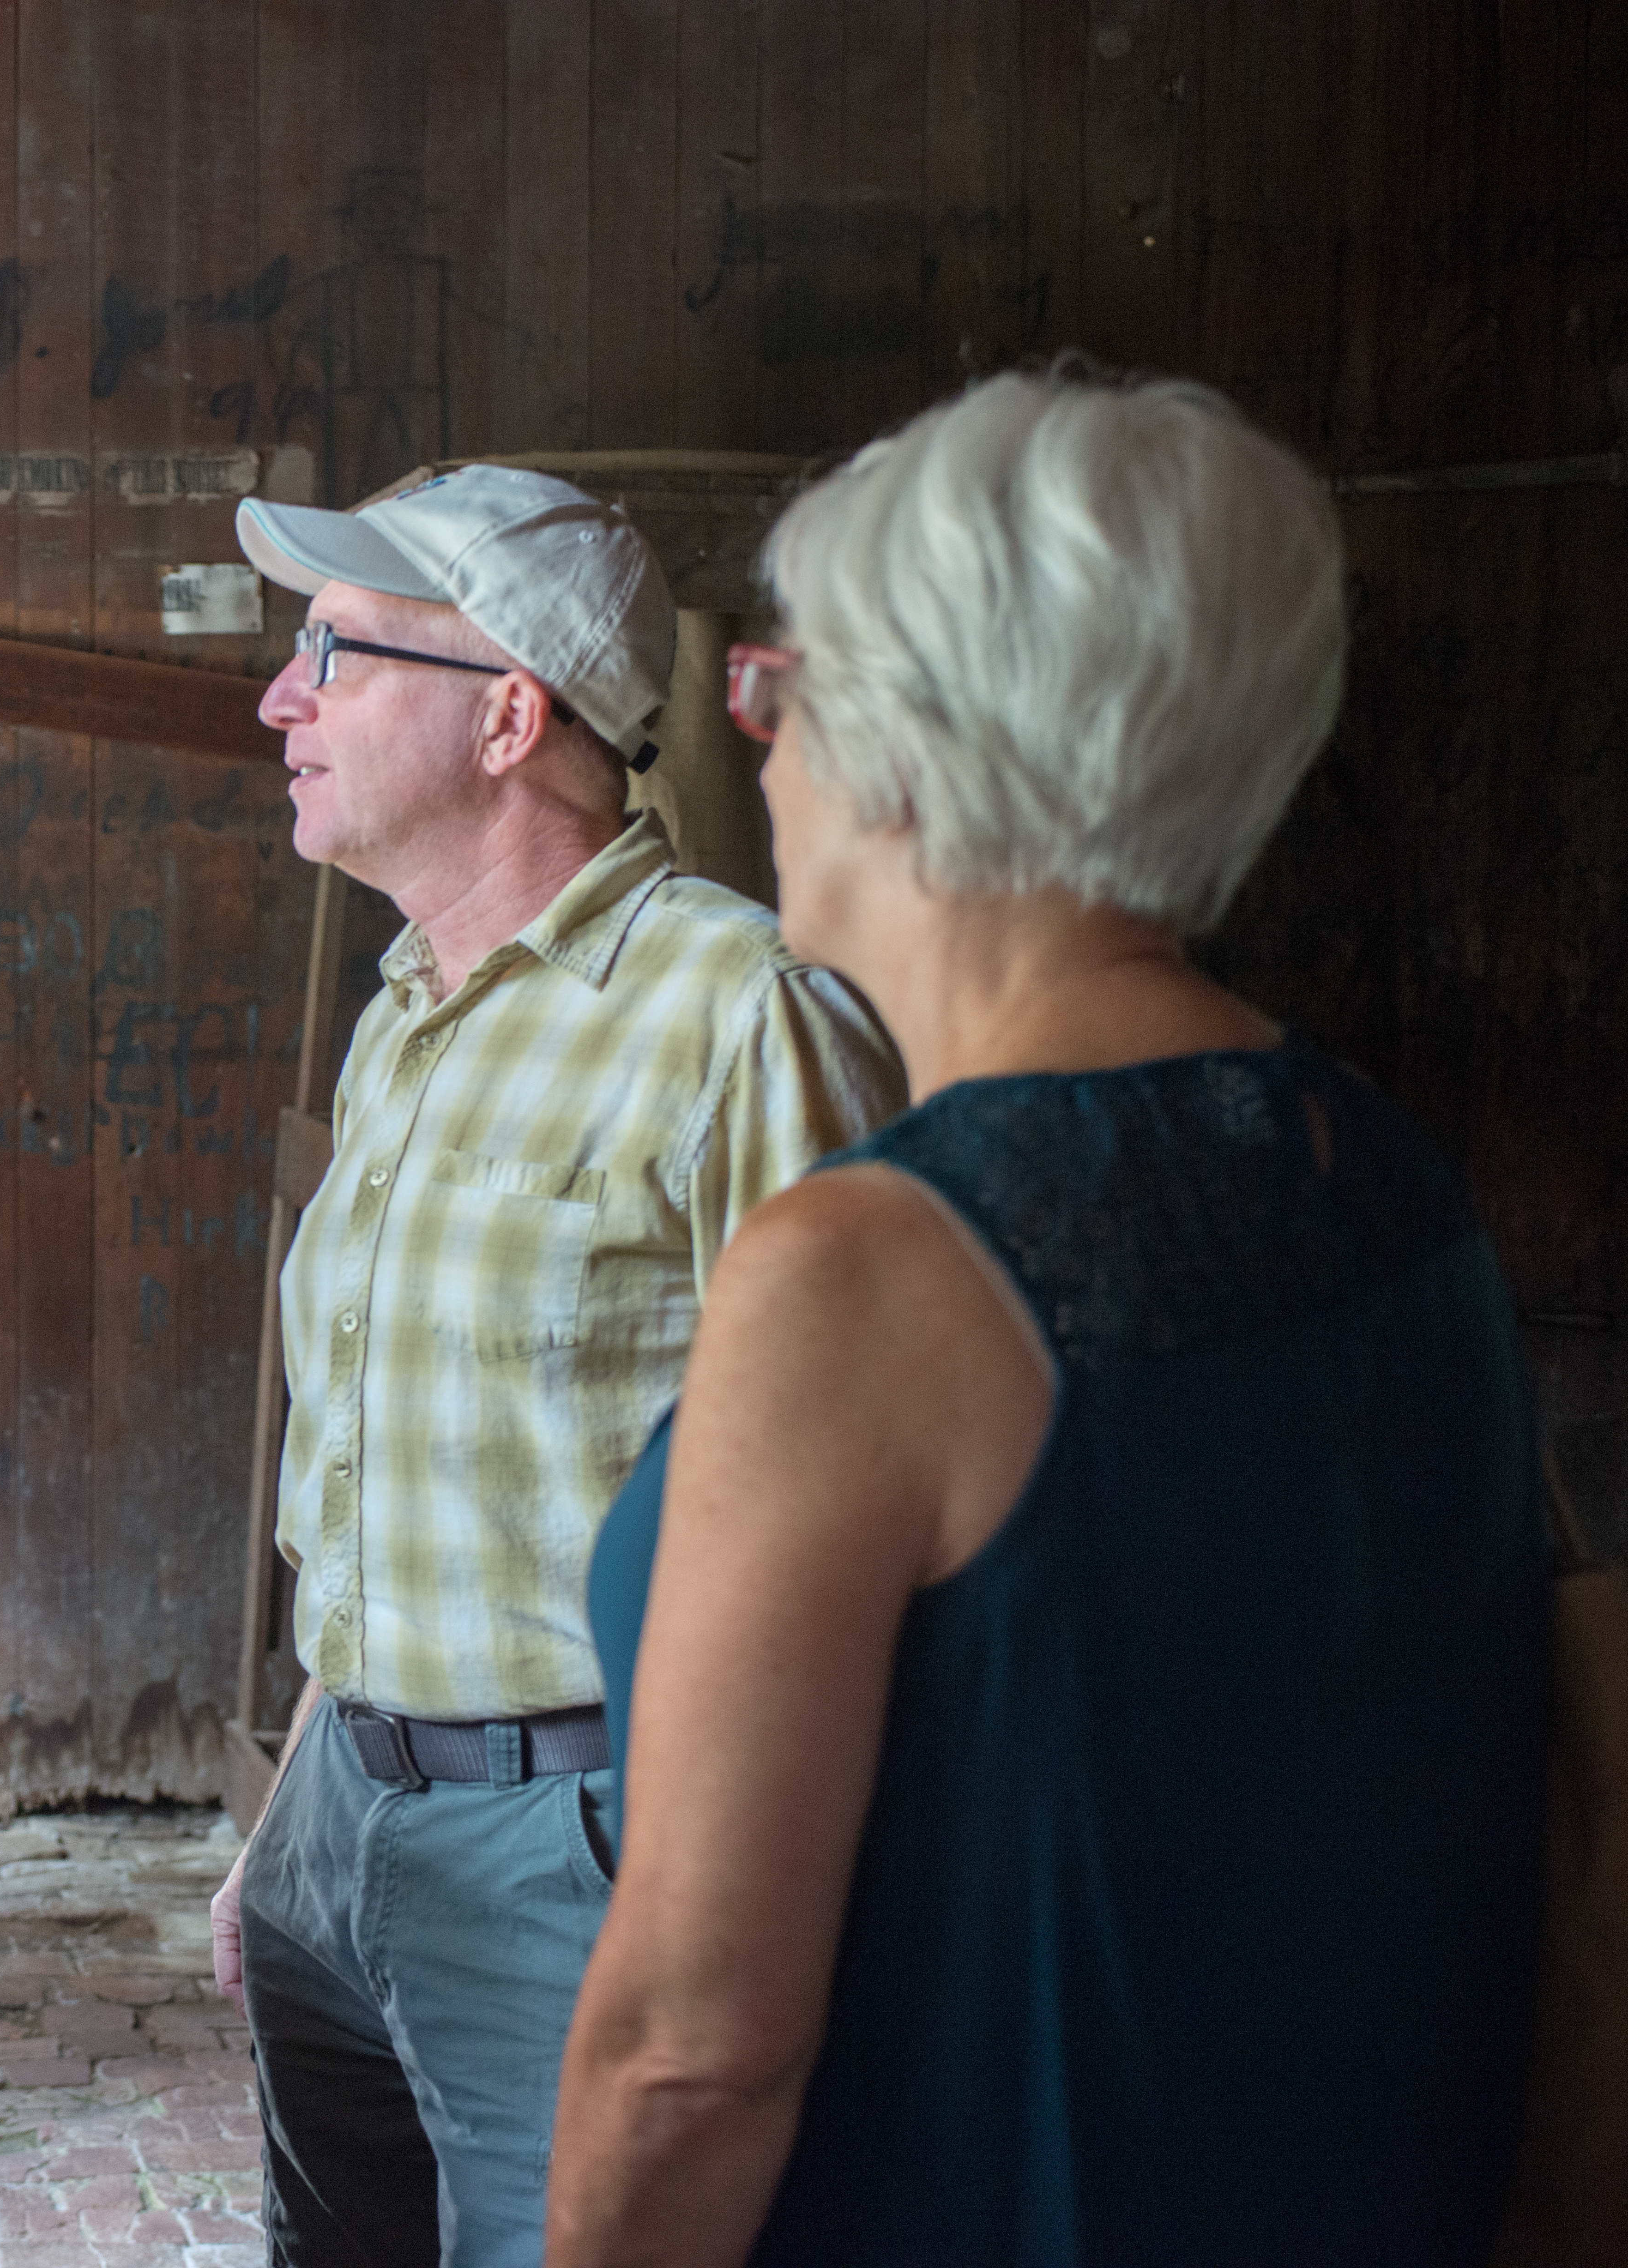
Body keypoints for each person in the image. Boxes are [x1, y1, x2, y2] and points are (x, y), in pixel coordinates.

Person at [549, 371, 1549, 2266]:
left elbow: (689, 2052)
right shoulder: (1396, 1182)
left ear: (913, 752)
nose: (754, 755)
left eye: (778, 693)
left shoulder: (869, 1271)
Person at [205, 466, 907, 2267]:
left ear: (511, 716)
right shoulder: (402, 1021)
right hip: (341, 1804)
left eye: (331, 656)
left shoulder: (742, 1017)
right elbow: (365, 1486)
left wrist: (706, 1909)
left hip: (575, 1838)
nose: (282, 700)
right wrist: (294, 1821)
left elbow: (836, 1525)